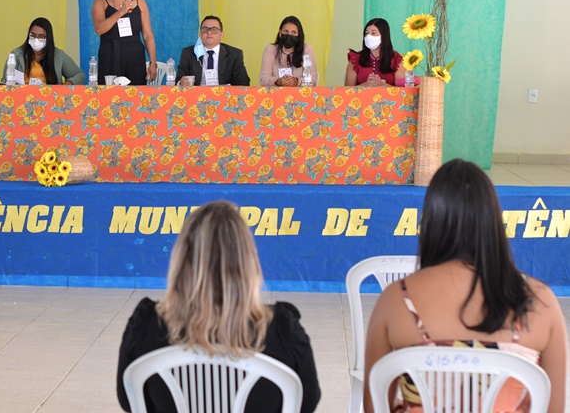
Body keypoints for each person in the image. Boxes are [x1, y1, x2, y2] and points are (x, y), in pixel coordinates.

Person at [363, 160, 567, 413]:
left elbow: (374, 405)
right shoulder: (539, 301)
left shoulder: (396, 299)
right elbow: (555, 409)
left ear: (430, 223)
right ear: (492, 222)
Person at [117, 201, 320, 413]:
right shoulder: (283, 332)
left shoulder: (145, 326)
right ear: (248, 262)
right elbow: (306, 403)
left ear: (180, 260)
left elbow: (129, 400)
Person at [91, 0, 157, 85]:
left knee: (135, 97)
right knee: (110, 98)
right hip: (111, 56)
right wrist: (121, 11)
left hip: (135, 57)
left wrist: (153, 63)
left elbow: (148, 35)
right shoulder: (101, 2)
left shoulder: (140, 2)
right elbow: (99, 29)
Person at [1, 17, 85, 85]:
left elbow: (80, 75)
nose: (36, 39)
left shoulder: (59, 56)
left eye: (41, 36)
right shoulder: (16, 55)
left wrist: (67, 85)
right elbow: (5, 81)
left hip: (51, 101)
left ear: (48, 38)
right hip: (21, 100)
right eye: (33, 35)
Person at [176, 16, 250, 86]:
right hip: (197, 97)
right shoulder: (188, 53)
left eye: (214, 30)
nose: (209, 33)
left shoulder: (234, 54)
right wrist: (181, 82)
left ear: (221, 34)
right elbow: (178, 80)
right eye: (205, 29)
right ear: (200, 34)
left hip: (225, 97)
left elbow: (243, 82)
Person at [259, 16, 319, 87]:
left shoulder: (307, 50)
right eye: (286, 31)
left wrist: (296, 82)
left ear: (299, 35)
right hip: (276, 95)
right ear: (280, 33)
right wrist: (277, 81)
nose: (289, 35)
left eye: (293, 32)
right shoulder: (270, 50)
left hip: (300, 95)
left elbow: (312, 80)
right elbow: (263, 79)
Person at [345, 18, 405, 86]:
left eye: (373, 33)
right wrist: (366, 85)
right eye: (366, 33)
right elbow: (347, 91)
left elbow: (402, 92)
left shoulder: (396, 59)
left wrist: (382, 85)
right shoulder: (355, 59)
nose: (368, 36)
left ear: (384, 36)